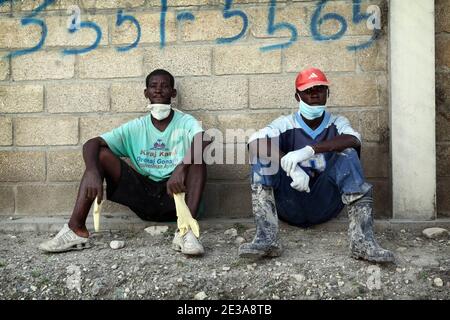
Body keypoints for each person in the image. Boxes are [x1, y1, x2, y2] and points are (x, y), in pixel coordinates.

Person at [39, 69, 210, 256]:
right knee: (101, 155)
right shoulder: (136, 127)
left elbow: (204, 139)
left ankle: (187, 232)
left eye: (165, 86)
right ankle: (75, 230)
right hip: (144, 198)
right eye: (153, 86)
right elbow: (92, 143)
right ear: (146, 93)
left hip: (176, 199)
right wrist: (92, 170)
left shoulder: (185, 122)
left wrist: (181, 168)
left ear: (173, 93)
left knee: (198, 159)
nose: (159, 90)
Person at [238, 67, 394, 263]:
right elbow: (254, 141)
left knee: (348, 154)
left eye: (320, 89)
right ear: (297, 96)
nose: (314, 94)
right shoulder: (285, 123)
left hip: (325, 201)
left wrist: (310, 150)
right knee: (262, 160)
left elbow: (354, 139)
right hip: (289, 203)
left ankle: (362, 242)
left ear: (328, 93)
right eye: (308, 90)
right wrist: (292, 168)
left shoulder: (337, 122)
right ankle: (266, 239)